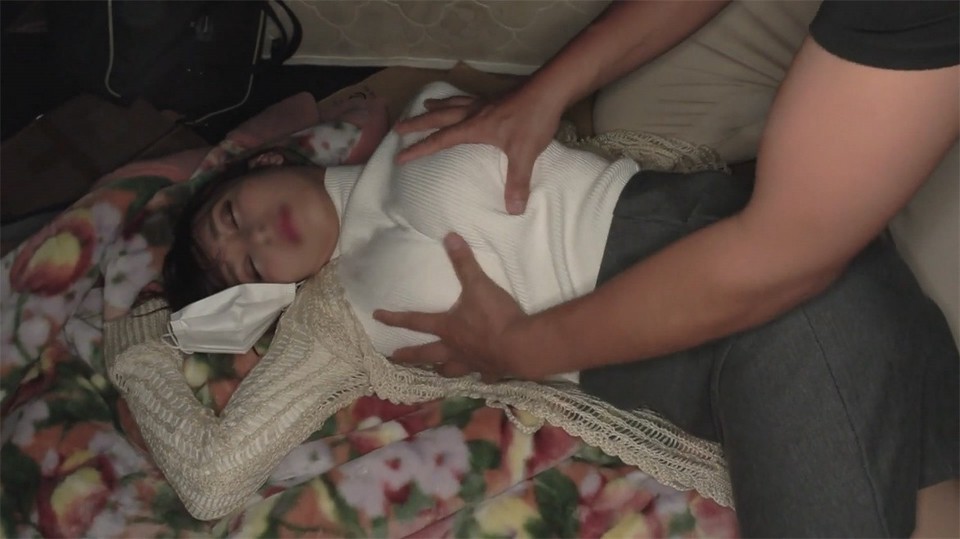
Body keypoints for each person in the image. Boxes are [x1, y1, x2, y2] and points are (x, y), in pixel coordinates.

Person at [164, 73, 956, 534]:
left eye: (233, 216)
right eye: (247, 267)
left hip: (744, 235)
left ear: (260, 165)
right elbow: (210, 479)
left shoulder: (430, 108)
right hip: (719, 349)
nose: (258, 237)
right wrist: (142, 344)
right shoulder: (333, 322)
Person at [365, 1, 959, 537]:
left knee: (825, 304)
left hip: (815, 301)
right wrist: (545, 91)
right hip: (820, 286)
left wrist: (521, 347)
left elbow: (786, 261)